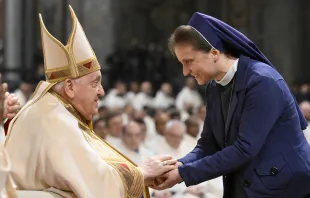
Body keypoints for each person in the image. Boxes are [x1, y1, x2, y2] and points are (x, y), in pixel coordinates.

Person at [5, 6, 176, 198]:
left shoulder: (52, 108)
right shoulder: (55, 119)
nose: (101, 91)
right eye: (95, 83)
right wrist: (140, 174)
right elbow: (94, 183)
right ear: (69, 87)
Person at [152, 12, 310, 198]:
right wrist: (180, 165)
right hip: (247, 187)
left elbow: (245, 148)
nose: (186, 71)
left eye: (189, 62)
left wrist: (184, 174)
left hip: (285, 189)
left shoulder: (261, 81)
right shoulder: (214, 86)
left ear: (214, 53)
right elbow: (208, 144)